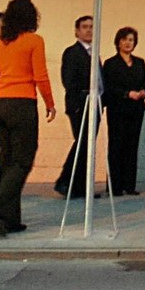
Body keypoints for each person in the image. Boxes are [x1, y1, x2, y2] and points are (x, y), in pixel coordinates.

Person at [0, 0, 55, 237]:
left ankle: (11, 219)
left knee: (8, 162)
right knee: (23, 161)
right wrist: (50, 104)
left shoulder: (1, 44)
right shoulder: (34, 41)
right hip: (22, 104)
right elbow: (40, 76)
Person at [102, 26, 145, 197]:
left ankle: (129, 184)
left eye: (131, 40)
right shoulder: (111, 64)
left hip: (136, 109)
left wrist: (143, 91)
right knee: (116, 146)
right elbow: (109, 87)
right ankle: (114, 186)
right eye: (124, 39)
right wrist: (127, 94)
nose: (128, 43)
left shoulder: (139, 63)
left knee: (132, 146)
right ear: (118, 42)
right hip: (118, 109)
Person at [54, 16, 98, 200]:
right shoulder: (72, 52)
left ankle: (79, 186)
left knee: (87, 146)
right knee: (82, 143)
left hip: (94, 105)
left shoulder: (93, 53)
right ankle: (65, 181)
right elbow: (69, 80)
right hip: (80, 105)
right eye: (85, 27)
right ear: (77, 31)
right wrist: (77, 104)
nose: (88, 30)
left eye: (91, 27)